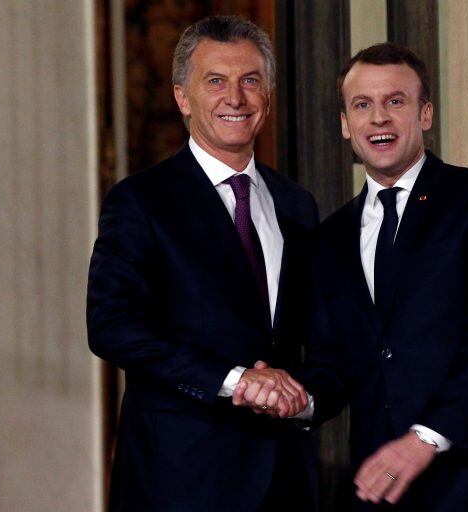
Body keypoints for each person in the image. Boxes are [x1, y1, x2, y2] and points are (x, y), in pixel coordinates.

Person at [236, 42, 468, 511]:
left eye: (395, 101)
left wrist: (423, 439)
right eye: (362, 105)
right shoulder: (330, 238)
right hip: (383, 489)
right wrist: (298, 397)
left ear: (425, 114)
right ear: (346, 124)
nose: (379, 118)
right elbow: (335, 360)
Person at [86, 15, 319, 512]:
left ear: (268, 98)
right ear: (182, 97)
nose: (235, 97)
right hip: (182, 477)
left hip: (285, 476)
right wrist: (236, 380)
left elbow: (310, 334)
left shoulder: (296, 204)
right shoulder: (141, 201)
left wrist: (305, 397)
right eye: (216, 81)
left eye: (250, 81)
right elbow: (111, 325)